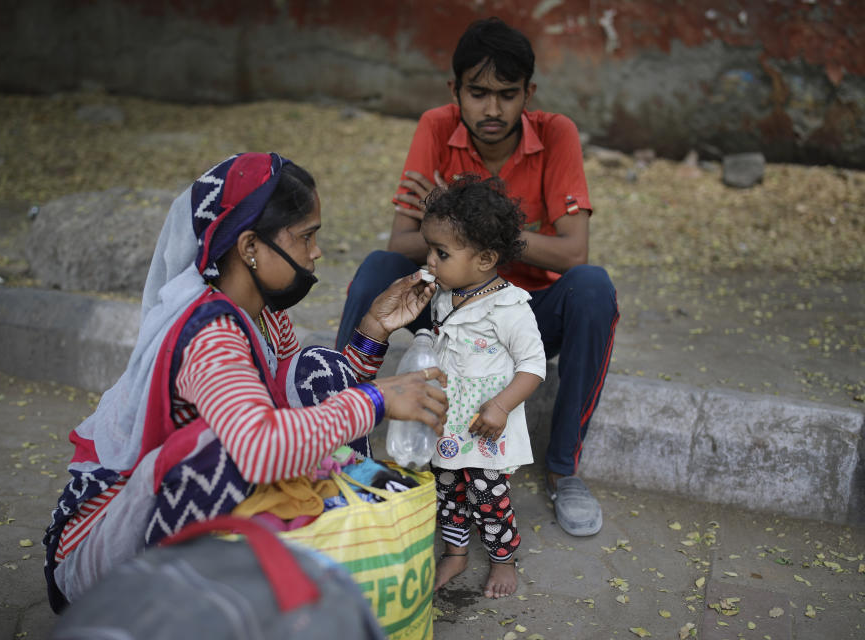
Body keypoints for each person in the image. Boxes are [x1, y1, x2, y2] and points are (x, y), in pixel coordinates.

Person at [42, 152, 448, 612]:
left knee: (319, 371)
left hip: (184, 520)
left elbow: (315, 405)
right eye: (306, 237)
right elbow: (256, 449)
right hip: (105, 564)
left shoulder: (266, 317)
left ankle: (332, 552)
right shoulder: (209, 332)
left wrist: (375, 327)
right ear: (250, 246)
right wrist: (378, 399)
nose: (316, 252)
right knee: (218, 447)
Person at [335, 17, 619, 537]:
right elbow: (400, 243)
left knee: (593, 289)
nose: (492, 109)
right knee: (378, 269)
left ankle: (563, 471)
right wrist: (475, 235)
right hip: (446, 306)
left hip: (522, 315)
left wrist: (475, 219)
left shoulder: (557, 133)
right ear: (455, 91)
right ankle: (339, 439)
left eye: (507, 94)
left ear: (528, 93)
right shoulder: (435, 127)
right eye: (479, 93)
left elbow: (574, 253)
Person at [421, 175, 549, 599]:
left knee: (488, 496)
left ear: (485, 258)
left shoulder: (508, 306)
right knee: (447, 491)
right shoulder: (446, 295)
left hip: (486, 425)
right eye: (430, 250)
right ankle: (456, 553)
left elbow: (532, 365)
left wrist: (500, 406)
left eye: (441, 253)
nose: (430, 261)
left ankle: (502, 559)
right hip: (449, 423)